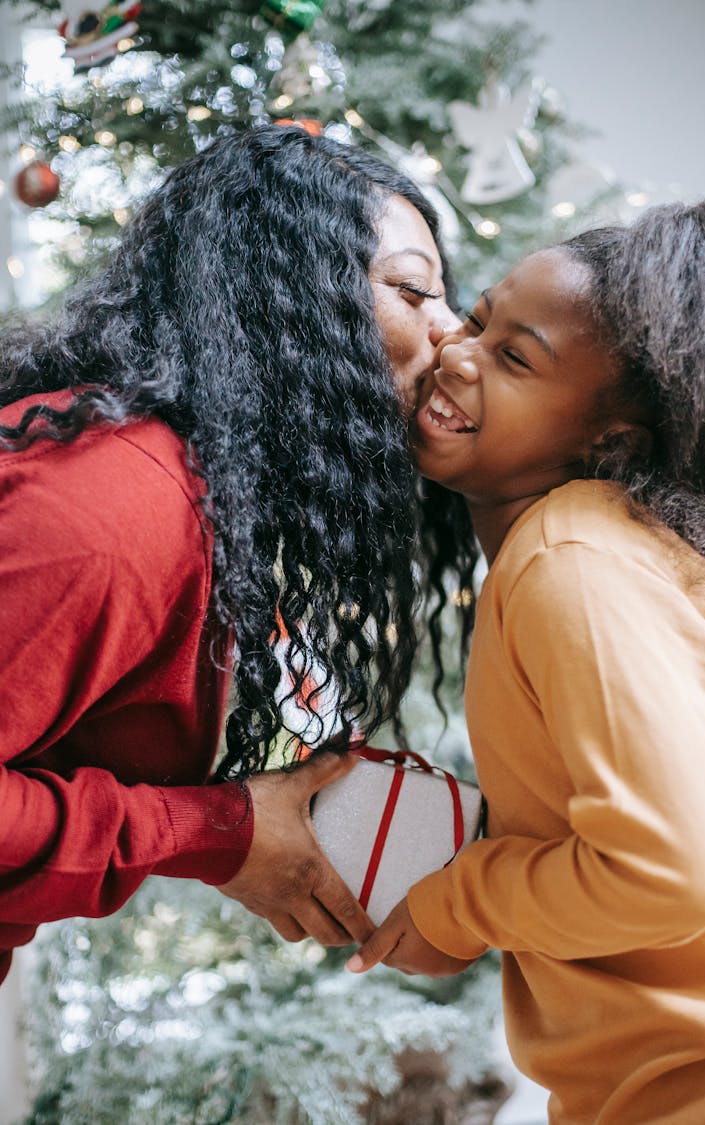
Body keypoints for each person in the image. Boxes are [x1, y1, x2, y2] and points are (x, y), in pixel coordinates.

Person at [0, 123, 478, 986]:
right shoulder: (117, 513)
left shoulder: (219, 503)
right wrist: (216, 831)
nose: (454, 335)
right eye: (415, 291)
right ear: (287, 297)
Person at [347, 197, 705, 1124]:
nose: (455, 353)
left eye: (514, 357)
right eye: (479, 320)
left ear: (607, 442)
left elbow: (671, 873)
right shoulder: (603, 551)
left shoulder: (572, 558)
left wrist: (457, 905)